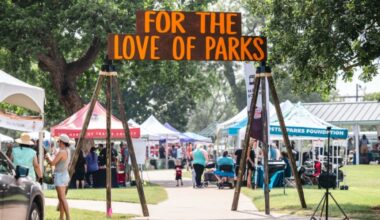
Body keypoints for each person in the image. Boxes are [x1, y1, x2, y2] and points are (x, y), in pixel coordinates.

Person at [45, 134, 71, 220]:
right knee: (61, 198)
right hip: (65, 174)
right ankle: (61, 217)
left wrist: (48, 157)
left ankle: (68, 217)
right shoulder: (67, 150)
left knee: (62, 198)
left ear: (62, 142)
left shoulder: (61, 152)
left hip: (60, 175)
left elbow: (52, 163)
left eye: (59, 141)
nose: (58, 143)